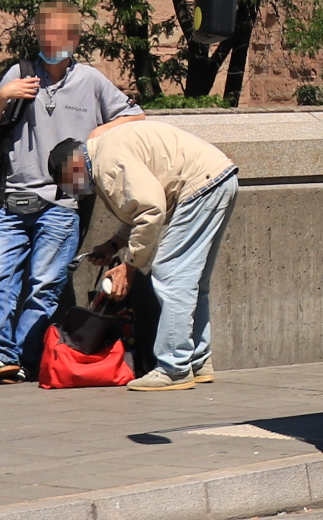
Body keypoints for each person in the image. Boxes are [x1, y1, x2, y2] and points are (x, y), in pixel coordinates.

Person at [0, 4, 138, 384]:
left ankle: (24, 358)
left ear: (74, 38)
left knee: (44, 286)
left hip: (64, 201)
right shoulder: (19, 74)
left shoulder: (90, 80)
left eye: (60, 35)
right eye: (45, 34)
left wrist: (95, 137)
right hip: (14, 198)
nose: (52, 41)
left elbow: (135, 117)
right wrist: (3, 96)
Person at [49, 115, 240, 391]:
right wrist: (114, 244)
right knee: (193, 281)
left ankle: (174, 368)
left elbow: (151, 210)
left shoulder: (106, 162)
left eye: (67, 183)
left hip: (201, 185)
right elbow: (141, 209)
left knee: (171, 276)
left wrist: (130, 266)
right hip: (218, 179)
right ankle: (198, 360)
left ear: (73, 166)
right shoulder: (106, 151)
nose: (73, 192)